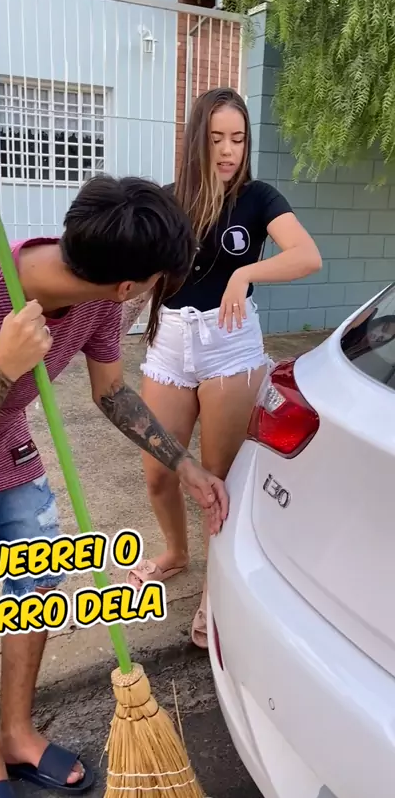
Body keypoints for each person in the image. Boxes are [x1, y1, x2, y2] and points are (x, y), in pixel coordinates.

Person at [0, 175, 229, 798]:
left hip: (11, 454)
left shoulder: (99, 303)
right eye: (156, 283)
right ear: (130, 285)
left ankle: (17, 734)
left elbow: (111, 392)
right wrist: (3, 365)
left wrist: (186, 465)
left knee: (35, 589)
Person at [122, 87, 322, 649]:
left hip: (230, 346)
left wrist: (244, 274)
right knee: (159, 470)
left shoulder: (258, 198)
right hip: (171, 344)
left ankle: (217, 589)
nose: (229, 150)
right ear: (197, 142)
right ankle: (175, 552)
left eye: (238, 138)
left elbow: (306, 255)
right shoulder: (169, 201)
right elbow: (143, 280)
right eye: (216, 139)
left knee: (218, 479)